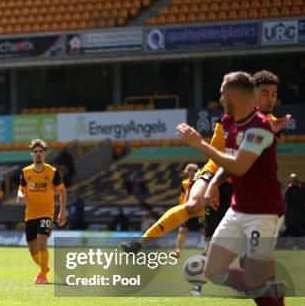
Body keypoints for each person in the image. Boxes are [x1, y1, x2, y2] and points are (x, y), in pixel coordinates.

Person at [177, 71, 292, 306]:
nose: (219, 98)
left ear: (236, 95)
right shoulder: (229, 122)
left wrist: (200, 145)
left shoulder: (260, 127)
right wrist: (214, 182)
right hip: (238, 209)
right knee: (213, 271)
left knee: (254, 280)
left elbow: (240, 165)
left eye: (222, 92)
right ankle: (269, 291)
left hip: (264, 212)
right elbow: (229, 163)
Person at [121, 70, 291, 255]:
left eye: (274, 94)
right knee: (193, 205)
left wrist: (271, 132)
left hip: (241, 185)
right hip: (215, 170)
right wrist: (214, 182)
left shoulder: (273, 124)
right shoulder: (229, 117)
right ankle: (140, 242)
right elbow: (218, 153)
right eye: (265, 93)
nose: (271, 99)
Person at [17, 139, 67, 284]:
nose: (38, 154)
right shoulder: (25, 172)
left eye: (41, 151)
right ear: (32, 154)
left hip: (46, 213)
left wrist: (62, 212)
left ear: (45, 154)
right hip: (30, 214)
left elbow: (62, 191)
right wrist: (20, 195)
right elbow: (22, 188)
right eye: (36, 152)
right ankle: (44, 268)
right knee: (32, 251)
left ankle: (43, 276)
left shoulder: (52, 172)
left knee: (41, 242)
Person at [283, 173, 305, 237]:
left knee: (299, 230)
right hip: (290, 214)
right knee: (290, 230)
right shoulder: (288, 189)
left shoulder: (302, 188)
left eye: (295, 180)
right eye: (292, 180)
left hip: (300, 213)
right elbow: (288, 200)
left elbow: (302, 198)